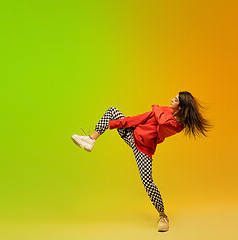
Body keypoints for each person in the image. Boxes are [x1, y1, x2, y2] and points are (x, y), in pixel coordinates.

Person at [71, 91, 213, 232]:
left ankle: (162, 215)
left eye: (175, 100)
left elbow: (163, 123)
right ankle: (91, 139)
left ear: (180, 107)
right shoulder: (163, 110)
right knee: (112, 111)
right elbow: (139, 119)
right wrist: (113, 124)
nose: (171, 99)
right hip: (132, 134)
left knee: (147, 182)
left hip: (143, 149)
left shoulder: (177, 125)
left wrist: (156, 108)